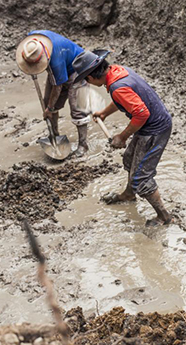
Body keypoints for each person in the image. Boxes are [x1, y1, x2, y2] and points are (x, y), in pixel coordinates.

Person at [72, 50, 173, 226]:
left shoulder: (118, 87)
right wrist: (104, 113)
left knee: (141, 177)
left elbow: (141, 114)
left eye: (85, 79)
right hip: (148, 126)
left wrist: (122, 136)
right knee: (130, 159)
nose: (86, 83)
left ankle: (164, 216)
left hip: (154, 130)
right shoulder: (117, 72)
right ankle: (128, 194)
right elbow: (122, 101)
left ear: (92, 77)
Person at [16, 30, 91, 157]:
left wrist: (49, 109)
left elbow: (57, 87)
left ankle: (83, 145)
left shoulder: (55, 61)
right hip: (63, 64)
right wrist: (49, 106)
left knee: (77, 109)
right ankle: (54, 135)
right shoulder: (33, 41)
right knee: (47, 102)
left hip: (78, 68)